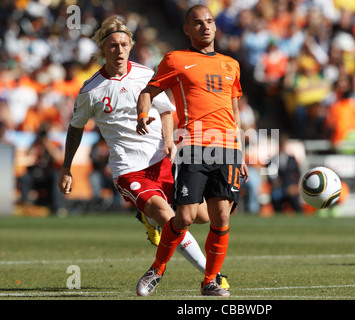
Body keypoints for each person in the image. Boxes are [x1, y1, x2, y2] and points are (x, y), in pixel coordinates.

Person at [57, 16, 229, 293]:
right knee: (166, 214)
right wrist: (66, 168)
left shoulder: (145, 75)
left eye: (124, 44)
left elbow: (165, 110)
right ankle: (213, 278)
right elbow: (75, 128)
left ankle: (147, 219)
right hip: (129, 169)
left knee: (201, 217)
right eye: (113, 46)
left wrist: (169, 140)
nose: (120, 50)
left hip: (162, 160)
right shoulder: (91, 90)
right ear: (103, 49)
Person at [135, 5, 249, 297]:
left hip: (227, 149)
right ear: (187, 29)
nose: (205, 27)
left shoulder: (231, 64)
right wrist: (142, 114)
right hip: (195, 146)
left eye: (209, 21)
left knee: (220, 217)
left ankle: (209, 281)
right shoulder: (176, 60)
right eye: (197, 23)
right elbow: (148, 92)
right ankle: (156, 269)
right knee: (184, 217)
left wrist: (241, 151)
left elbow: (233, 111)